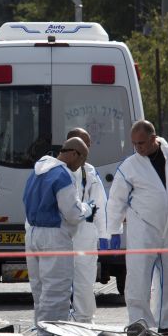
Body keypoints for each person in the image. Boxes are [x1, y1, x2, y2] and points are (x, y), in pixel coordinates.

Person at [103, 120, 168, 333]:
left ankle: (165, 325)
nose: (137, 148)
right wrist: (113, 230)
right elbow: (116, 200)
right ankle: (139, 323)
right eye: (134, 144)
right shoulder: (130, 166)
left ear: (153, 138)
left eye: (141, 143)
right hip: (142, 229)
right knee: (138, 277)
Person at [23, 137, 95, 331]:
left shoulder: (38, 171)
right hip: (54, 236)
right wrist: (87, 209)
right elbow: (71, 213)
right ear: (73, 154)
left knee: (39, 291)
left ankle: (40, 331)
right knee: (56, 291)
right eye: (82, 160)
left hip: (32, 235)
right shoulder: (62, 175)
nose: (81, 166)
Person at [65, 128, 108, 323]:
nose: (88, 149)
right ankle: (62, 320)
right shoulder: (56, 170)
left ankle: (83, 320)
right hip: (63, 233)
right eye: (85, 144)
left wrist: (106, 234)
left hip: (84, 234)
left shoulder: (89, 171)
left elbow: (100, 203)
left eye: (89, 145)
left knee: (85, 281)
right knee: (60, 281)